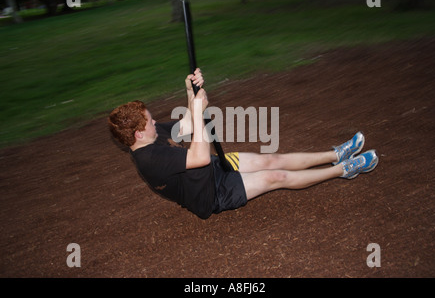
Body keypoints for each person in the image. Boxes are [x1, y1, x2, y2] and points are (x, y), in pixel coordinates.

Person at [108, 69, 379, 219]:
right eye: (150, 122)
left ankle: (335, 154)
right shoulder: (149, 159)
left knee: (271, 159)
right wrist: (200, 110)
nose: (155, 122)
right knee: (276, 176)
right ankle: (344, 170)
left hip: (213, 168)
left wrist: (192, 95)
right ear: (138, 136)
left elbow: (190, 124)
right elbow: (199, 156)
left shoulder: (152, 135)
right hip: (211, 193)